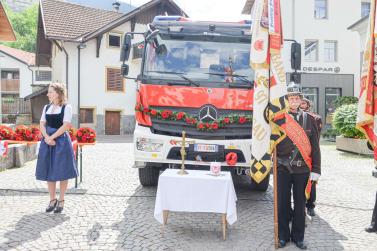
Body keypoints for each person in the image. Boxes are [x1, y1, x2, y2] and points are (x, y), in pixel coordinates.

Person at [276, 82, 321, 250]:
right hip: (282, 168)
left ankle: (298, 237)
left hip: (302, 168)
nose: (294, 101)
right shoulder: (279, 118)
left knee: (301, 203)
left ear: (301, 100)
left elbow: (315, 146)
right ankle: (282, 236)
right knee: (283, 203)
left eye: (296, 98)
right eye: (291, 98)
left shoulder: (310, 119)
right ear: (286, 100)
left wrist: (316, 170)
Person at [35, 83, 78, 213]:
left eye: (50, 92)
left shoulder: (67, 107)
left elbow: (66, 126)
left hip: (61, 142)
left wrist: (52, 137)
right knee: (49, 170)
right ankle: (52, 199)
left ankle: (61, 199)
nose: (48, 94)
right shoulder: (46, 107)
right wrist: (47, 137)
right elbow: (41, 124)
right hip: (47, 141)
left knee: (62, 171)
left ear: (58, 93)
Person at [300, 98, 322, 217]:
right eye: (301, 102)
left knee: (311, 181)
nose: (302, 104)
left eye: (304, 102)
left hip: (310, 153)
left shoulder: (315, 118)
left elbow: (316, 138)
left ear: (308, 105)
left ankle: (310, 205)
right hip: (297, 155)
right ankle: (299, 206)